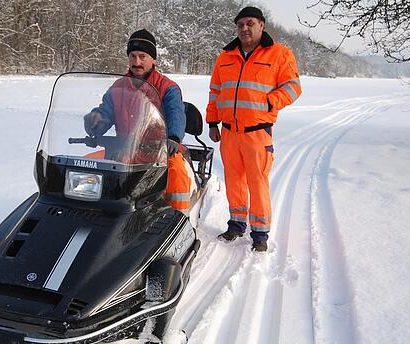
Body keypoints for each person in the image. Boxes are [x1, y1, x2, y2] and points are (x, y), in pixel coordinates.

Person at [206, 6, 302, 252]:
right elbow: (215, 91)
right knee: (234, 180)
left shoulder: (279, 54)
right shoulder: (225, 56)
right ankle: (237, 224)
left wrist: (270, 101)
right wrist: (212, 122)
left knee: (257, 182)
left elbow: (293, 87)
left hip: (257, 132)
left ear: (262, 25)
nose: (244, 29)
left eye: (250, 23)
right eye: (240, 25)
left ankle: (259, 233)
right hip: (229, 132)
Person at [84, 29, 193, 214]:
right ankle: (93, 213)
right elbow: (106, 111)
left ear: (153, 59)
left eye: (143, 56)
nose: (137, 62)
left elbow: (176, 114)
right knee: (87, 166)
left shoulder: (168, 88)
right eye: (132, 56)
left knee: (176, 175)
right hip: (126, 148)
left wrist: (173, 137)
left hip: (160, 151)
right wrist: (96, 120)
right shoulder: (118, 87)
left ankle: (178, 219)